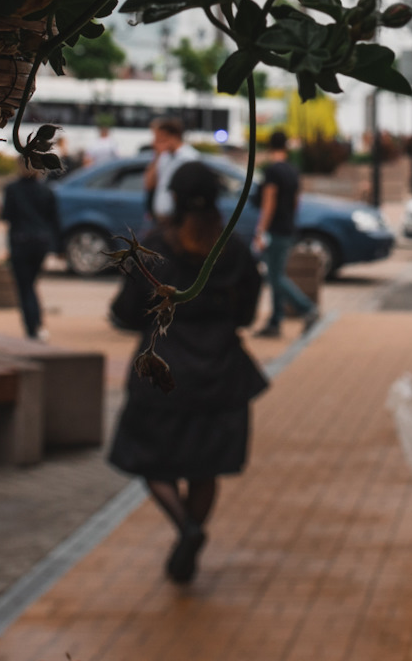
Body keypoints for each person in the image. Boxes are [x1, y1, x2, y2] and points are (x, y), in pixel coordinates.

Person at [107, 161, 266, 584]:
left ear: (173, 199)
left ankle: (186, 528)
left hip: (163, 375)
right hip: (221, 375)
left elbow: (125, 313)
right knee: (205, 467)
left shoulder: (156, 248)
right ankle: (191, 534)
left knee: (146, 458)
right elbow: (248, 312)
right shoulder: (232, 249)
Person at [253, 131, 315, 338]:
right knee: (275, 274)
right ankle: (275, 321)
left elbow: (268, 202)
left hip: (275, 229)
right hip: (288, 227)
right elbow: (297, 200)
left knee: (275, 277)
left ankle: (307, 308)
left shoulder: (272, 171)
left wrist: (261, 229)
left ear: (269, 147)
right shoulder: (292, 170)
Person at [0, 167, 59, 340]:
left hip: (20, 241)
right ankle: (37, 323)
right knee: (31, 284)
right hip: (41, 242)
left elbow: (6, 215)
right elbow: (54, 219)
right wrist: (57, 247)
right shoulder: (46, 190)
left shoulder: (12, 189)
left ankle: (32, 327)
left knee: (25, 287)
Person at [144, 119, 188, 227]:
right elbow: (149, 184)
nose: (154, 142)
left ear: (173, 137)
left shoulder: (188, 158)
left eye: (160, 138)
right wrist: (157, 155)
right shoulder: (164, 157)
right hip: (160, 218)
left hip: (176, 220)